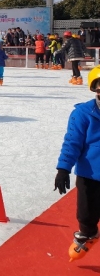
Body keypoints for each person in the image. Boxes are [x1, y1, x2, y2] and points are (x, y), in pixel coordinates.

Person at [54, 65, 100, 262]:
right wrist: (63, 168)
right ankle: (88, 233)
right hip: (90, 175)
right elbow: (72, 142)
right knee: (86, 213)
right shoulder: (83, 113)